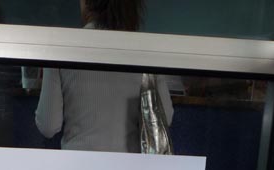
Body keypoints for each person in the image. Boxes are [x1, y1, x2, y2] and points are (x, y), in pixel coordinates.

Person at [35, 0, 173, 153]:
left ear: (87, 3)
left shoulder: (61, 47)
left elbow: (48, 125)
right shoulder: (146, 50)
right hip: (127, 163)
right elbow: (165, 117)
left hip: (77, 162)